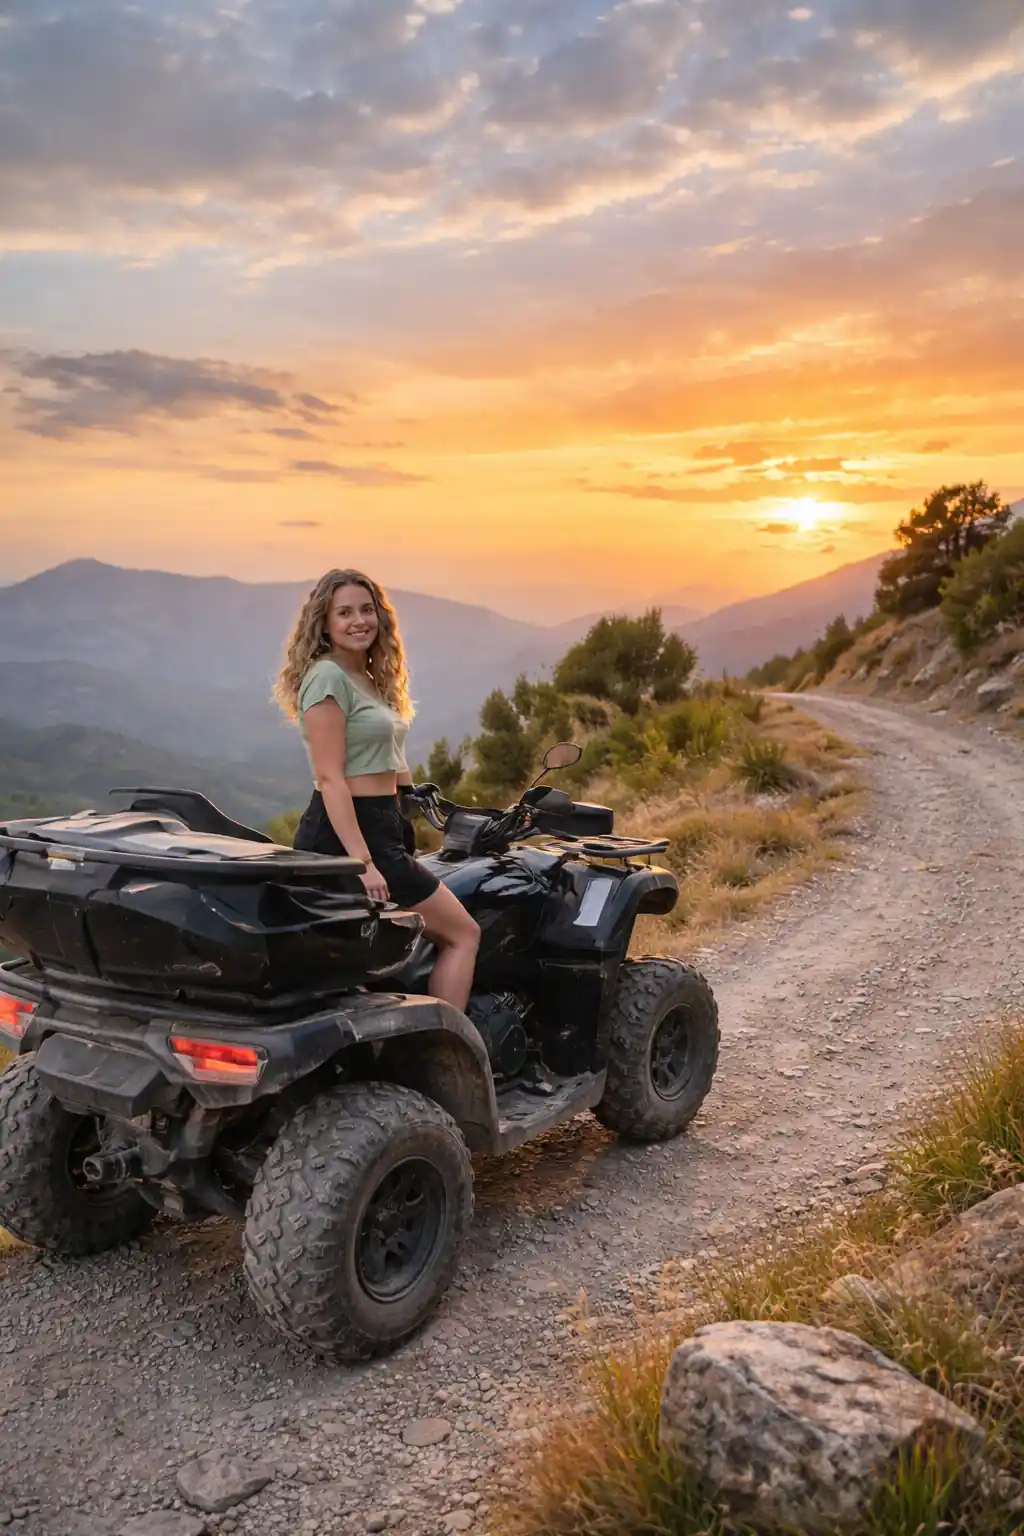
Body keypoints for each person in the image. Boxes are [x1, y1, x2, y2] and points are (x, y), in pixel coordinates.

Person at [275, 568, 480, 1012]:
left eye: (366, 610)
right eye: (344, 612)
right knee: (463, 934)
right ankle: (450, 1057)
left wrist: (417, 797)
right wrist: (362, 863)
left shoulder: (369, 675)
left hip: (383, 822)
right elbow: (331, 777)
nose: (358, 621)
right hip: (345, 835)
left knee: (379, 959)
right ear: (323, 623)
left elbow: (386, 751)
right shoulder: (327, 678)